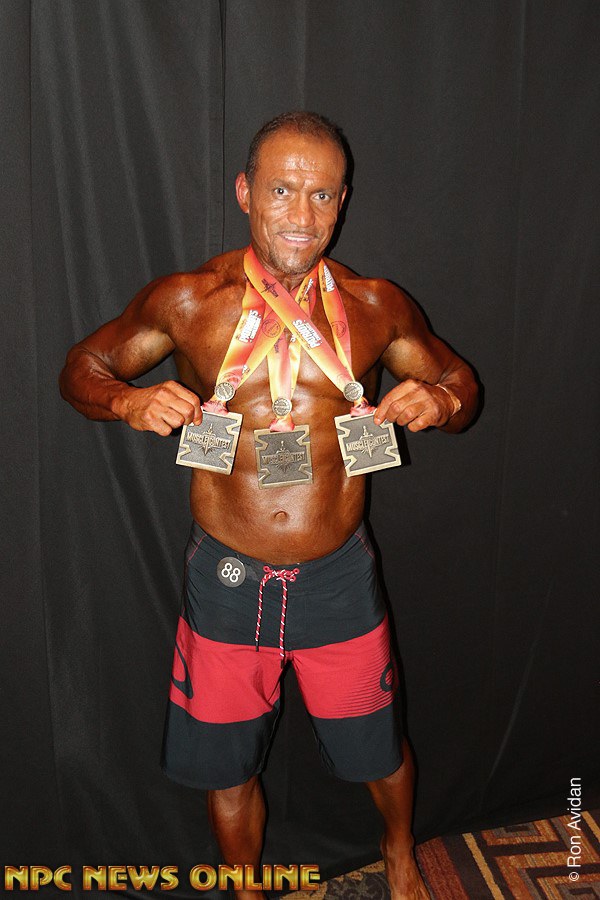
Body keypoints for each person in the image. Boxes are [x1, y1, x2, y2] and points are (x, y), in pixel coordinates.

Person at [60, 111, 477, 900]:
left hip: (338, 579)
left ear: (343, 201)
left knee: (379, 749)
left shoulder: (377, 305)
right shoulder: (189, 302)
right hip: (226, 579)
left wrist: (442, 402)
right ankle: (247, 891)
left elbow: (462, 383)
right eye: (282, 190)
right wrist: (124, 400)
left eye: (322, 195)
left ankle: (397, 853)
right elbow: (82, 365)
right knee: (227, 765)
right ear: (245, 192)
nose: (302, 215)